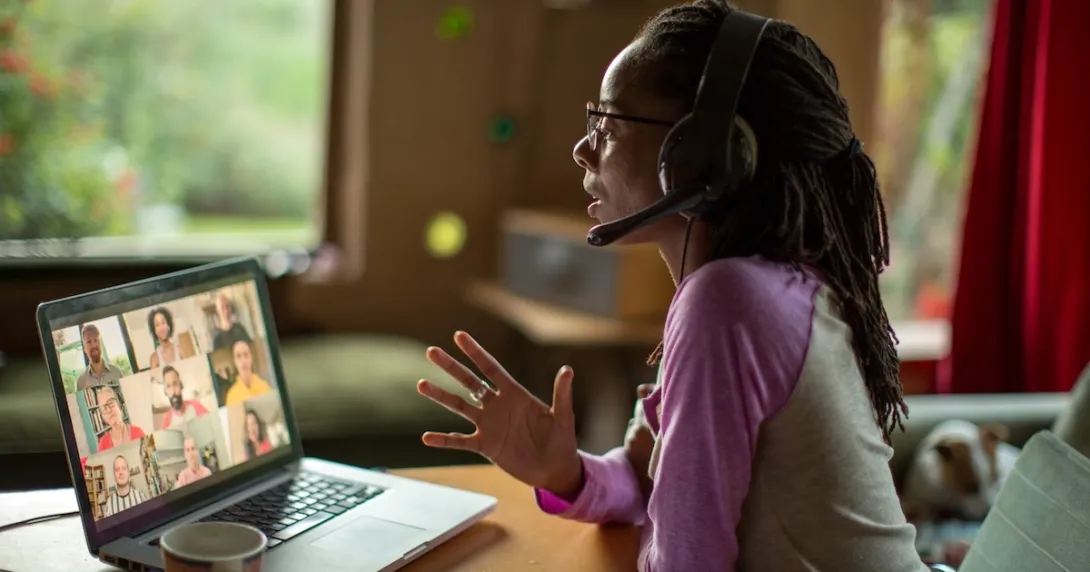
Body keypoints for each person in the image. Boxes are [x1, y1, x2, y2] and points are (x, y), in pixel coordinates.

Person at [414, 2, 926, 570]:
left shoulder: (729, 302)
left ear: (701, 156)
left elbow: (686, 561)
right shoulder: (769, 286)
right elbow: (649, 482)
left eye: (607, 125)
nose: (584, 150)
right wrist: (566, 472)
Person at [96, 386, 146, 452]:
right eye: (104, 408)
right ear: (102, 416)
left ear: (119, 405)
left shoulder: (138, 431)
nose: (108, 410)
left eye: (110, 403)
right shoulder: (102, 444)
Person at [223, 339, 271, 406]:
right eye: (238, 356)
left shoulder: (265, 386)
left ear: (251, 357)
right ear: (235, 361)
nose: (243, 360)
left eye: (246, 355)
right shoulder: (231, 396)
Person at [159, 366, 209, 430]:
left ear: (181, 386)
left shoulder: (195, 405)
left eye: (175, 384)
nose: (173, 391)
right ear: (165, 392)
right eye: (168, 386)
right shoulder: (167, 421)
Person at [76, 324, 122, 390]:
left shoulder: (117, 372)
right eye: (89, 342)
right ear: (85, 349)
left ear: (100, 343)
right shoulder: (81, 382)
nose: (93, 345)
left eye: (96, 340)